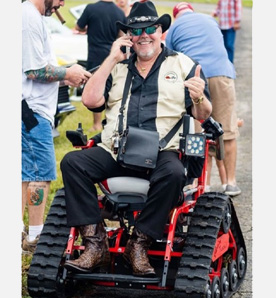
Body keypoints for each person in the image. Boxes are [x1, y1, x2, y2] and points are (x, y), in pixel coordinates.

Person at [60, 1, 212, 275]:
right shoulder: (116, 67)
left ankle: (139, 243)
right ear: (128, 35)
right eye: (136, 29)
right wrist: (110, 58)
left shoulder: (182, 64)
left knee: (175, 172)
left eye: (150, 28)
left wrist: (198, 95)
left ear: (160, 30)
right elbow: (91, 100)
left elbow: (202, 114)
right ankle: (96, 245)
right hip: (116, 149)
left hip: (162, 152)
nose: (144, 34)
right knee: (73, 162)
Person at [22, 0, 91, 254]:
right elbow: (32, 71)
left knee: (26, 174)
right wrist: (66, 74)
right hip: (32, 111)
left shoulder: (33, 17)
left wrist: (66, 78)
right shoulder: (28, 19)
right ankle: (35, 238)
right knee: (41, 175)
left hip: (31, 108)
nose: (62, 3)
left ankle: (19, 232)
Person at [166, 2, 241, 196]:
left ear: (176, 16)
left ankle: (200, 183)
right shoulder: (210, 20)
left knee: (197, 133)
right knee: (227, 129)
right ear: (192, 11)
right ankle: (230, 183)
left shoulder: (174, 28)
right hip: (221, 74)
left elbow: (170, 59)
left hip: (195, 76)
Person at [75, 0, 127, 132]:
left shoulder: (91, 8)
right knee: (113, 88)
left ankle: (97, 124)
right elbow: (122, 34)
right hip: (113, 56)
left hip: (95, 55)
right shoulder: (119, 12)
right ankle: (111, 120)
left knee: (96, 89)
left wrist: (89, 28)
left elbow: (78, 27)